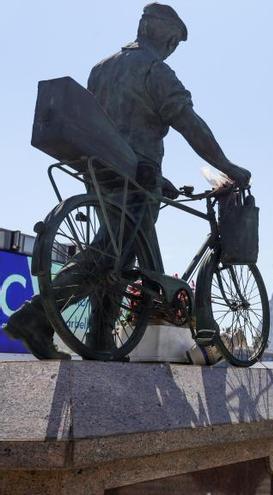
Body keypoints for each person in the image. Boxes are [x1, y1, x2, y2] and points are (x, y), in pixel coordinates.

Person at [2, 3, 250, 359]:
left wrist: (157, 177)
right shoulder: (156, 71)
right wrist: (227, 165)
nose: (173, 49)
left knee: (115, 256)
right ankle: (35, 314)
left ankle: (101, 341)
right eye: (174, 41)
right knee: (110, 254)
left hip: (102, 171)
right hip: (137, 178)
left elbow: (117, 128)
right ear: (162, 33)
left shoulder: (101, 69)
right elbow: (190, 125)